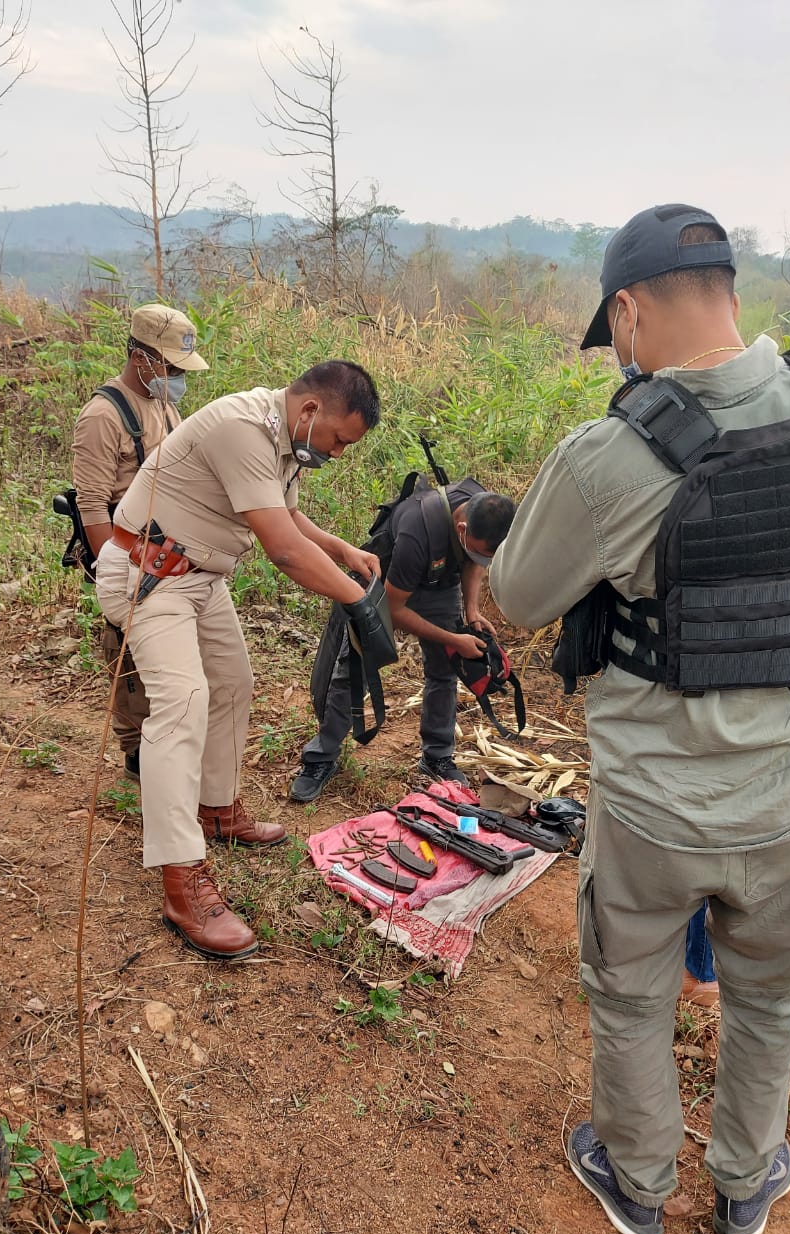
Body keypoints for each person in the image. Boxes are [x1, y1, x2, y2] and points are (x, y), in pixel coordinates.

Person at [490, 204, 790, 1234]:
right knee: (768, 996)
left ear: (630, 312)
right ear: (732, 293)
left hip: (650, 810)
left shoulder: (611, 457)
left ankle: (637, 1179)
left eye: (617, 331)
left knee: (634, 989)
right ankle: (745, 1181)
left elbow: (517, 593)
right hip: (787, 808)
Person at [94, 359, 385, 960]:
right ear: (311, 412)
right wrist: (358, 602)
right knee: (184, 703)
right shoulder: (241, 427)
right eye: (339, 439)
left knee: (232, 683)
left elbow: (289, 516)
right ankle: (181, 880)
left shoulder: (285, 440)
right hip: (150, 575)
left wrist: (343, 550)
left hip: (199, 575)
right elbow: (280, 547)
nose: (339, 452)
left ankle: (216, 808)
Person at [291, 481, 516, 802]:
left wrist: (471, 611)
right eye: (480, 550)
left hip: (440, 586)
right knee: (355, 669)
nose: (483, 559)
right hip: (389, 586)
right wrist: (453, 637)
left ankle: (437, 755)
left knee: (445, 670)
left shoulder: (485, 510)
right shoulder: (418, 529)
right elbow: (395, 611)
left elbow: (473, 561)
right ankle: (322, 758)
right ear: (461, 527)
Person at [72, 304, 209, 779]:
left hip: (166, 548)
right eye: (168, 368)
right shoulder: (102, 416)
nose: (174, 378)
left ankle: (169, 745)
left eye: (177, 370)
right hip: (125, 549)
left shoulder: (165, 405)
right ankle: (137, 753)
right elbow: (91, 503)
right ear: (140, 357)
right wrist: (116, 571)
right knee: (129, 651)